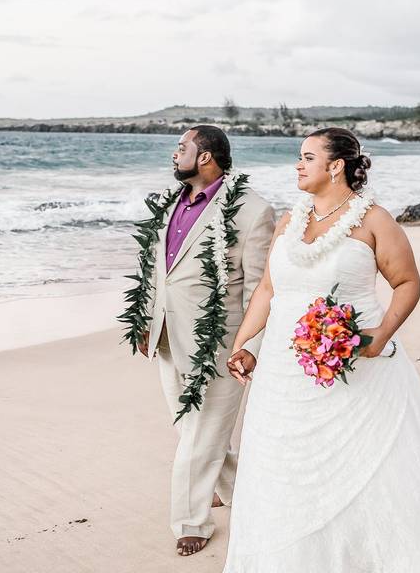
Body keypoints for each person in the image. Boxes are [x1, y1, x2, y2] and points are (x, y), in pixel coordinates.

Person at [222, 127, 420, 571]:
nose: (297, 165)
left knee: (362, 462)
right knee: (287, 464)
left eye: (307, 157)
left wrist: (380, 336)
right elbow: (266, 289)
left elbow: (406, 283)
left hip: (356, 365)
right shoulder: (288, 221)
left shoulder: (374, 220)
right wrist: (245, 344)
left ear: (336, 166)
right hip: (284, 369)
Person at [135, 125, 275, 556]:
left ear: (207, 156)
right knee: (193, 427)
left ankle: (191, 521)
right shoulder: (170, 203)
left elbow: (258, 289)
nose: (175, 154)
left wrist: (249, 345)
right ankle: (237, 487)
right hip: (165, 337)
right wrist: (144, 318)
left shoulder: (252, 212)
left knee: (200, 435)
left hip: (219, 342)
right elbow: (159, 269)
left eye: (183, 148)